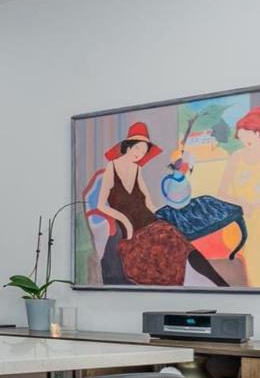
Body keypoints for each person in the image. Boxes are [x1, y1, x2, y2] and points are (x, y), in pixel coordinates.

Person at [96, 121, 229, 286]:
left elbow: (147, 199)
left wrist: (163, 216)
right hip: (130, 227)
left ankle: (220, 283)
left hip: (148, 220)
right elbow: (101, 205)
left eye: (144, 151)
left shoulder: (137, 169)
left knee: (178, 240)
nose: (140, 154)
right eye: (138, 148)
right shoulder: (112, 167)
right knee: (159, 249)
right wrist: (124, 221)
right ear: (128, 146)